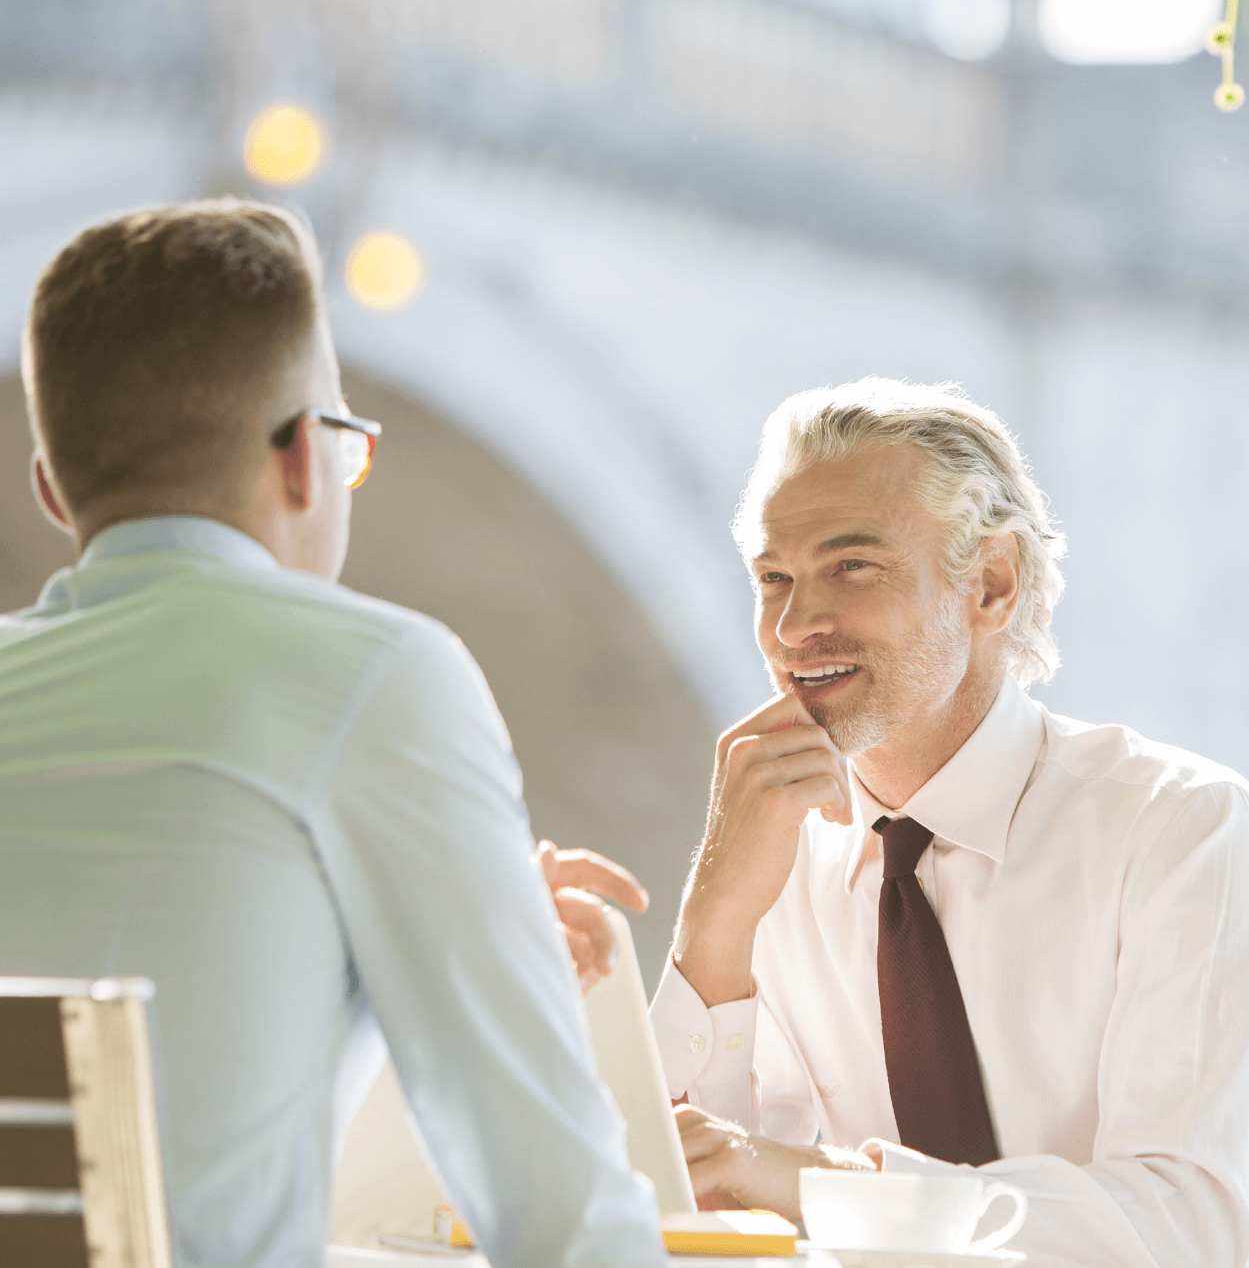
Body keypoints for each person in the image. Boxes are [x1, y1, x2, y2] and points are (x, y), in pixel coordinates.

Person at [0, 199, 668, 1268]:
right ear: (308, 458)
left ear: (53, 494)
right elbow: (560, 1219)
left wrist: (455, 915)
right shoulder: (381, 678)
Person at [650, 377, 1249, 1268]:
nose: (792, 624)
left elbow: (1190, 1226)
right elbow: (691, 1198)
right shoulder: (771, 852)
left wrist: (829, 1185)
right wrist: (714, 920)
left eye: (851, 566)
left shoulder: (1183, 835)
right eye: (772, 577)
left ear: (992, 584)